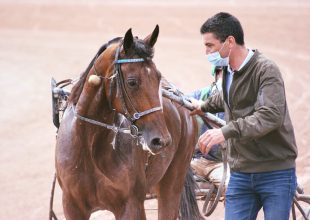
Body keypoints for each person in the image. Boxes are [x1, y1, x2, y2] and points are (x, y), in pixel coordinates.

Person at [191, 12, 298, 220]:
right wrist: (201, 106)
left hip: (275, 173)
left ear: (229, 41)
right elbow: (227, 99)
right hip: (240, 174)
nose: (206, 52)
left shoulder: (266, 70)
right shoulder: (228, 71)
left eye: (210, 45)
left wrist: (224, 132)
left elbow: (270, 116)